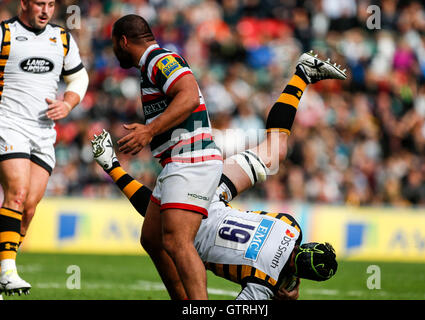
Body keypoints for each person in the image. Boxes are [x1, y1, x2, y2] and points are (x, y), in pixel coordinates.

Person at [92, 51, 346, 299]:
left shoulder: (290, 226)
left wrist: (288, 273)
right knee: (163, 228)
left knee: (273, 150)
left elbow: (281, 249)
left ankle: (302, 74)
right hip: (196, 228)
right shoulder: (264, 284)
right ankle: (112, 165)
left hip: (215, 195)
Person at [111, 14, 224, 300]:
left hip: (191, 158)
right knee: (152, 239)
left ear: (123, 41)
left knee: (177, 241)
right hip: (177, 161)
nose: (114, 51)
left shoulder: (159, 59)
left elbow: (188, 95)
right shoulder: (153, 63)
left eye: (114, 44)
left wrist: (149, 131)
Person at [0, 0, 88, 296]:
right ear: (24, 3)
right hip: (8, 123)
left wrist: (68, 102)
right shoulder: (5, 34)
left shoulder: (62, 38)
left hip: (43, 133)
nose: (46, 10)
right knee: (17, 192)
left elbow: (78, 77)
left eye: (51, 4)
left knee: (29, 208)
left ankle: (2, 266)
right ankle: (7, 272)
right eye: (40, 3)